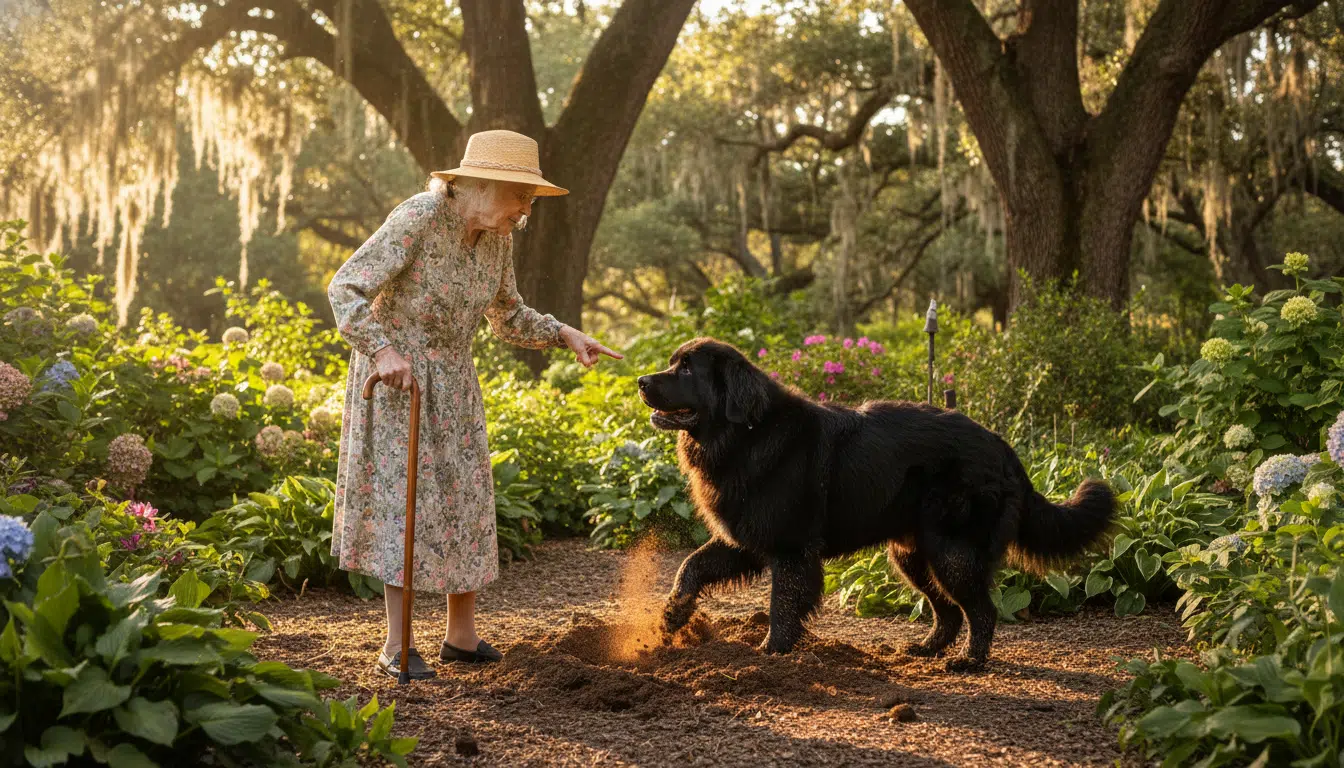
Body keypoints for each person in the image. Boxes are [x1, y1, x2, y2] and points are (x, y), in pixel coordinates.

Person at [327, 129, 622, 679]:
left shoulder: (497, 239)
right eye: (521, 198)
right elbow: (346, 288)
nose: (526, 211)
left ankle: (460, 639)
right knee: (408, 505)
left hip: (455, 384)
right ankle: (397, 645)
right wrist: (383, 351)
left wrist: (563, 334)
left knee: (465, 502)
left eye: (530, 201)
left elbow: (507, 315)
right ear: (484, 186)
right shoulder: (418, 217)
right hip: (400, 382)